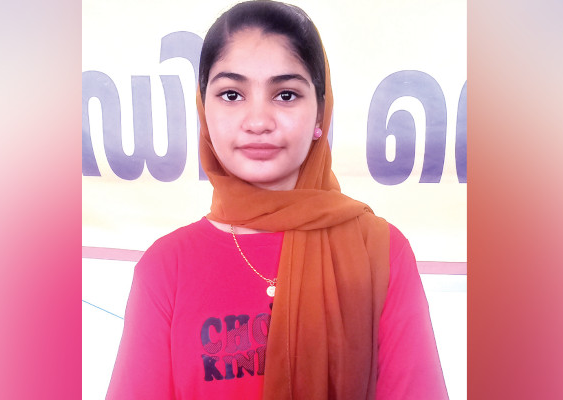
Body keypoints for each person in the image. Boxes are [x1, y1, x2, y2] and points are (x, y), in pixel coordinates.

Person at [106, 1, 449, 399]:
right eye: (231, 94)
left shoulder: (380, 252)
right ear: (204, 110)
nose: (258, 121)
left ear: (320, 113)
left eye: (286, 95)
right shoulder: (166, 268)